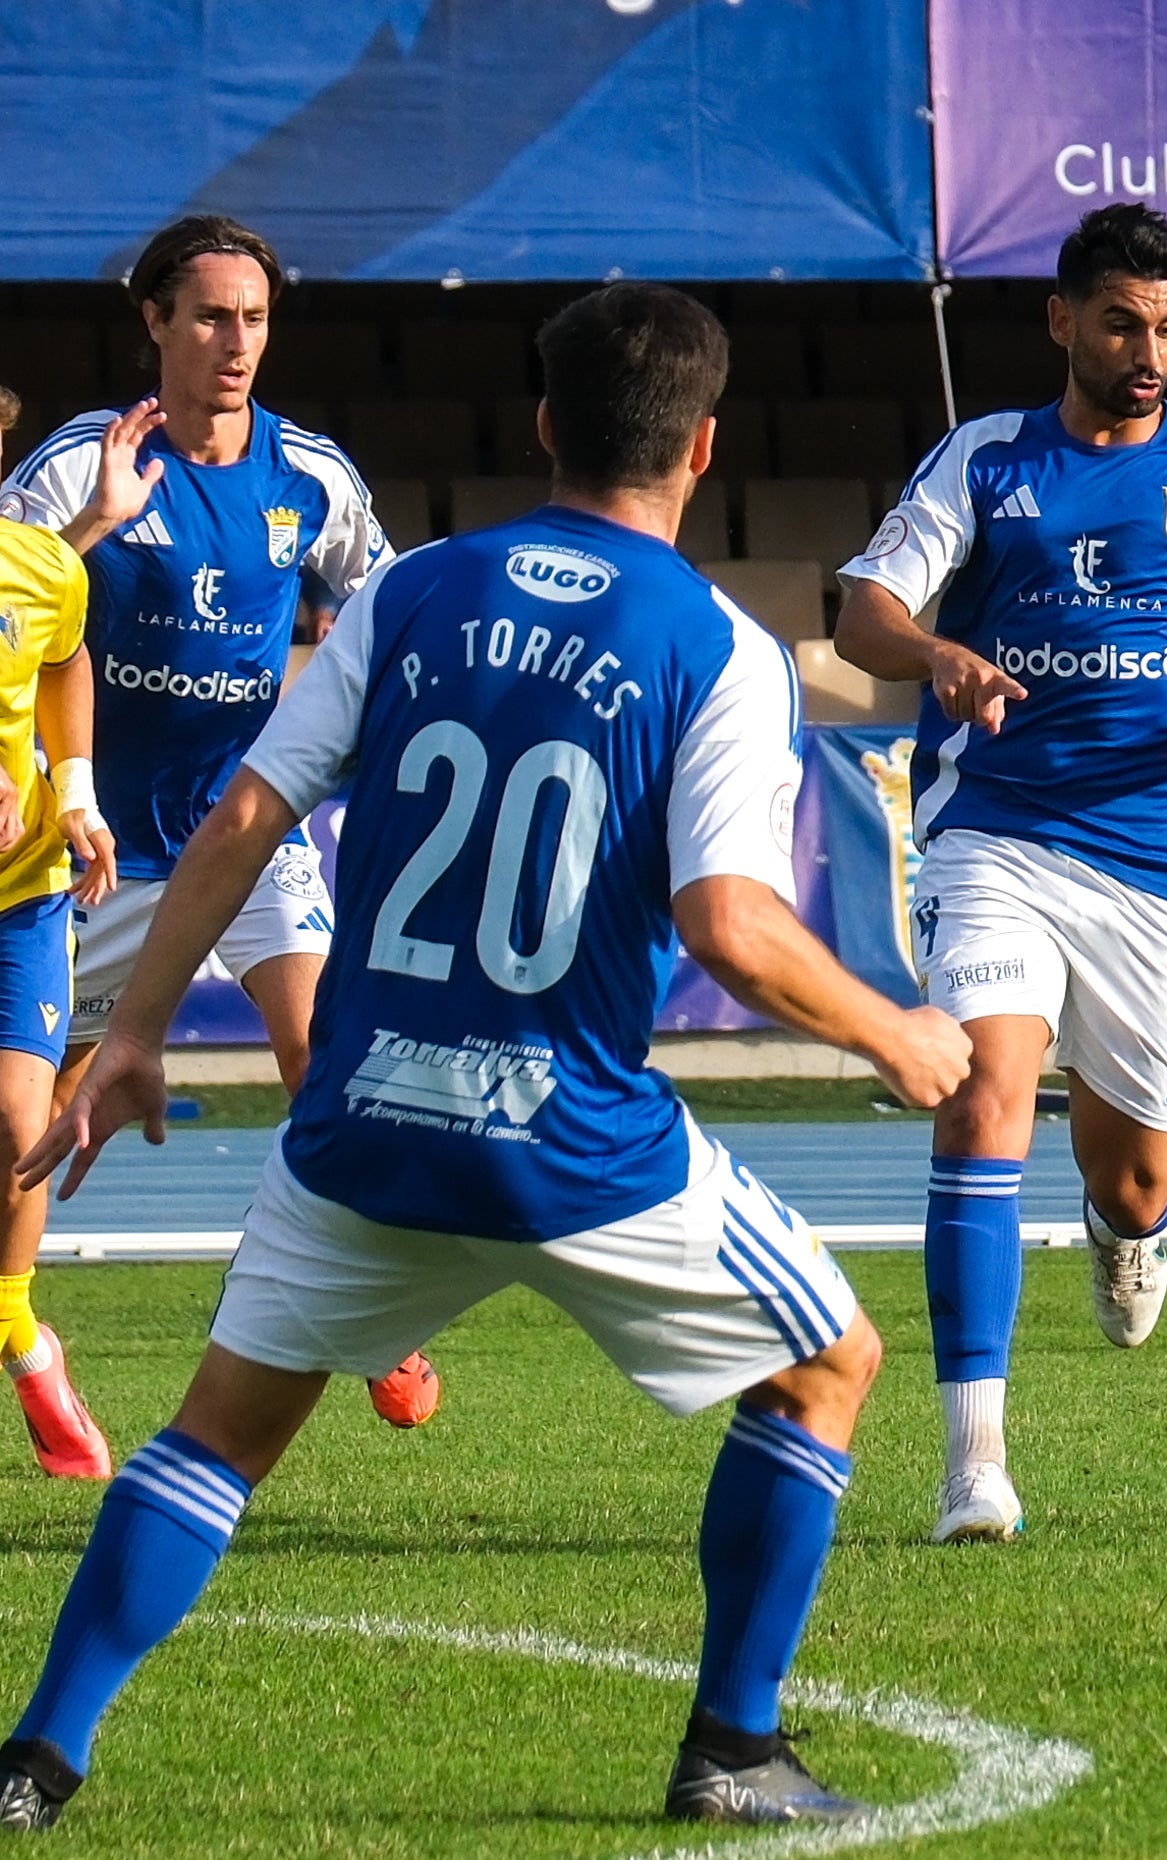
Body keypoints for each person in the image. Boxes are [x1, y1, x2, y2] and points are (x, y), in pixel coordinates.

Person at [0, 283, 975, 1832]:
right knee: (827, 1363)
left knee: (214, 1442)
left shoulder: (415, 594)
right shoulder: (715, 648)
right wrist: (899, 1031)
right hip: (569, 1134)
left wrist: (129, 1035)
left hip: (365, 1122)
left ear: (541, 427)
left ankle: (35, 1763)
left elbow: (247, 815)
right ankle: (731, 1747)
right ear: (705, 445)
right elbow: (728, 924)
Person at [832, 204, 1167, 1545]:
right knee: (983, 1093)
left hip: (1155, 857)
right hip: (992, 830)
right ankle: (972, 1465)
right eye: (1121, 321)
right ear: (1061, 320)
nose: (1146, 348)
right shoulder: (985, 460)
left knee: (1133, 1183)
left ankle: (1122, 1239)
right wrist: (933, 655)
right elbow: (863, 608)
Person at [0, 215, 440, 1452]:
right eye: (208, 316)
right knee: (39, 1121)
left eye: (252, 318)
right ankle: (27, 1340)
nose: (234, 342)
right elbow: (10, 606)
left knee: (321, 1051)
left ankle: (368, 1307)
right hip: (87, 851)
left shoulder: (311, 477)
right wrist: (90, 524)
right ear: (154, 324)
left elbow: (391, 607)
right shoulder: (78, 464)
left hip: (248, 829)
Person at [0, 389, 119, 1481]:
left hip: (22, 887)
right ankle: (19, 1344)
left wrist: (74, 792)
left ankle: (20, 1326)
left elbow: (61, 661)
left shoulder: (41, 564)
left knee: (17, 1118)